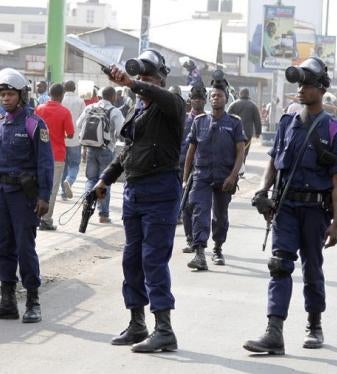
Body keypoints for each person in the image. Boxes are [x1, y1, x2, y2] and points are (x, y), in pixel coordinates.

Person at [244, 57, 337, 355]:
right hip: (286, 207)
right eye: (299, 84)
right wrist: (264, 191)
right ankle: (273, 332)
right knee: (279, 265)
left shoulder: (333, 130)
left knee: (312, 269)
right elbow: (273, 162)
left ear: (320, 89)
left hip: (316, 211)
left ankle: (314, 325)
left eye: (307, 84)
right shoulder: (287, 122)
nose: (301, 89)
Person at [94, 49, 184, 353]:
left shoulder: (172, 104)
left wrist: (132, 83)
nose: (142, 84)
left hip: (161, 191)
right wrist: (105, 178)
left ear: (160, 80)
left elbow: (160, 97)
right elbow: (127, 151)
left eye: (148, 79)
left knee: (153, 260)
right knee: (131, 260)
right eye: (140, 79)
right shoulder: (139, 109)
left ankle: (164, 329)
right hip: (135, 192)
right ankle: (137, 323)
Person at [0, 68, 54, 323]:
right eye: (2, 94)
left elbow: (45, 162)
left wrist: (44, 196)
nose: (5, 98)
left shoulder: (34, 124)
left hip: (24, 196)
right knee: (1, 248)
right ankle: (8, 302)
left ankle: (33, 302)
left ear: (21, 95)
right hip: (1, 195)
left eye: (10, 94)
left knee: (25, 248)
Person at [183, 72, 246, 270]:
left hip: (224, 177)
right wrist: (185, 179)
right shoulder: (199, 121)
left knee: (220, 216)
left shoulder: (234, 123)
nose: (215, 98)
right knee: (199, 211)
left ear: (226, 98)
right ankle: (200, 252)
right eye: (213, 96)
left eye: (219, 95)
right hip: (201, 176)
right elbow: (191, 152)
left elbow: (240, 152)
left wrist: (233, 176)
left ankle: (218, 248)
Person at [77, 86, 124, 223]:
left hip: (91, 148)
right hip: (106, 149)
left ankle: (87, 204)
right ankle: (103, 214)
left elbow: (79, 124)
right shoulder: (114, 111)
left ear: (100, 96)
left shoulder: (90, 107)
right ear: (113, 96)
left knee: (91, 179)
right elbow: (121, 131)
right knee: (105, 180)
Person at [35, 83, 74, 230]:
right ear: (62, 95)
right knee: (52, 189)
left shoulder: (39, 109)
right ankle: (46, 220)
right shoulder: (64, 112)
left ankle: (34, 216)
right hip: (57, 155)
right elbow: (70, 134)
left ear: (49, 94)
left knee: (38, 186)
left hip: (38, 154)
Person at [180, 85, 207, 253]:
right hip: (181, 167)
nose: (197, 101)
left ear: (204, 100)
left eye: (200, 98)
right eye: (194, 98)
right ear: (190, 100)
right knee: (184, 206)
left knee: (197, 206)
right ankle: (190, 239)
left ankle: (198, 241)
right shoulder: (183, 119)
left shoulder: (209, 120)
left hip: (201, 170)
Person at [61, 80, 86, 200]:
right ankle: (69, 181)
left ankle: (63, 192)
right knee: (74, 164)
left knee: (63, 166)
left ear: (64, 89)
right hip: (75, 139)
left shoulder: (60, 100)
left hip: (61, 139)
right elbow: (84, 120)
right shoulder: (80, 101)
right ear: (75, 88)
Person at [228, 87, 262, 163]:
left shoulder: (233, 104)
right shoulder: (253, 105)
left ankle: (233, 166)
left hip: (234, 133)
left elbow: (227, 118)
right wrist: (258, 133)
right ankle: (241, 166)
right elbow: (257, 120)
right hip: (247, 133)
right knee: (244, 151)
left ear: (240, 94)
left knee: (233, 150)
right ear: (248, 94)